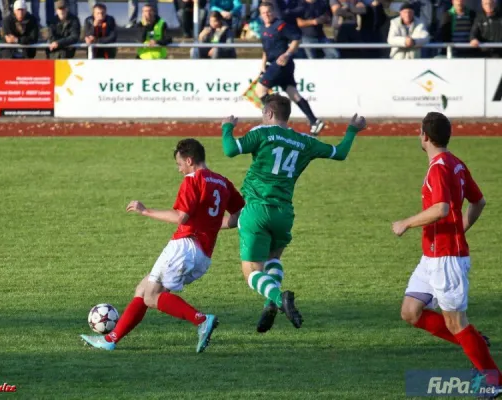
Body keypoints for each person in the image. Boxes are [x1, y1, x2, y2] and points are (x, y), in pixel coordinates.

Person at [81, 139, 245, 352]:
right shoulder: (223, 183)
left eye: (179, 164)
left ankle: (202, 320)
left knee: (151, 296)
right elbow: (237, 215)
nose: (179, 169)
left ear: (189, 160)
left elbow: (181, 216)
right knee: (142, 289)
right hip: (203, 255)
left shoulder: (193, 179)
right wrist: (210, 226)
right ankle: (111, 340)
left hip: (184, 247)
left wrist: (145, 211)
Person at [221, 93, 366, 333]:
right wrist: (352, 130)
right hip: (284, 212)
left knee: (251, 271)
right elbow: (340, 153)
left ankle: (279, 299)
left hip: (257, 209)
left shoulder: (262, 133)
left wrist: (227, 127)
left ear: (268, 113)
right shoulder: (304, 141)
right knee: (273, 260)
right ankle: (270, 303)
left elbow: (229, 149)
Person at [392, 112, 501, 388]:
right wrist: (460, 228)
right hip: (432, 257)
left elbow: (440, 209)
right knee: (411, 312)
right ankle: (472, 340)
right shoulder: (456, 164)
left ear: (424, 136)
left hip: (446, 260)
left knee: (456, 322)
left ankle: (492, 380)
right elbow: (478, 202)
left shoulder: (439, 167)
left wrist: (406, 222)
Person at [255, 2, 325, 136]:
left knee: (260, 91)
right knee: (293, 94)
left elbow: (296, 38)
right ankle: (314, 121)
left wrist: (287, 54)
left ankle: (275, 121)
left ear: (274, 12)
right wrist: (263, 64)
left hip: (281, 64)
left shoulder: (280, 25)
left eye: (268, 12)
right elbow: (265, 48)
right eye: (263, 13)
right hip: (275, 64)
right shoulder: (263, 28)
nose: (266, 15)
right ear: (260, 14)